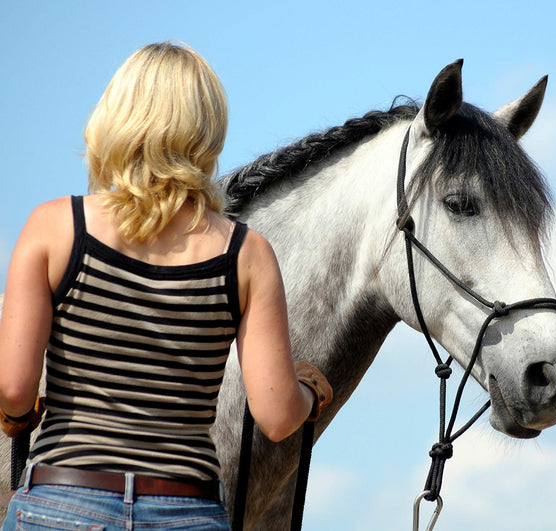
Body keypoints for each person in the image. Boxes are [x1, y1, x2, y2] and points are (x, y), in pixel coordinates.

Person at [0, 41, 331, 530]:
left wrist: (19, 412)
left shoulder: (54, 227)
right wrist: (308, 392)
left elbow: (12, 388)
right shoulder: (245, 253)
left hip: (63, 502)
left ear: (114, 117)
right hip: (185, 511)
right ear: (208, 132)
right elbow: (278, 416)